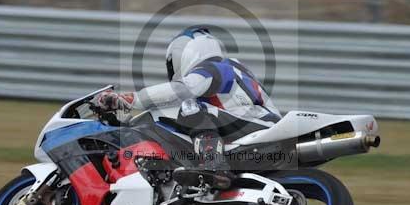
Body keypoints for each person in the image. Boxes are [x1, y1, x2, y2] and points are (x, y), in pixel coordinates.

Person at [96, 27, 281, 184]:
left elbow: (181, 90)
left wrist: (129, 100)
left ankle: (215, 166)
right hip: (259, 127)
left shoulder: (216, 66)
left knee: (189, 108)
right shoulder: (233, 69)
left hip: (259, 128)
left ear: (189, 51)